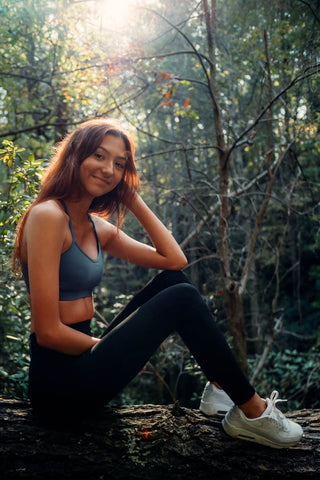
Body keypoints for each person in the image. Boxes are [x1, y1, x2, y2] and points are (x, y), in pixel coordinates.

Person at [13, 118, 303, 448]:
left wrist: (132, 198)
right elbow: (48, 332)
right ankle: (253, 412)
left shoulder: (95, 226)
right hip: (58, 390)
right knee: (180, 298)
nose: (108, 169)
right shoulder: (48, 215)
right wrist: (113, 350)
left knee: (173, 283)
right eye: (99, 155)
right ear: (75, 156)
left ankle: (221, 390)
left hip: (85, 366)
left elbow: (174, 260)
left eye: (119, 164)